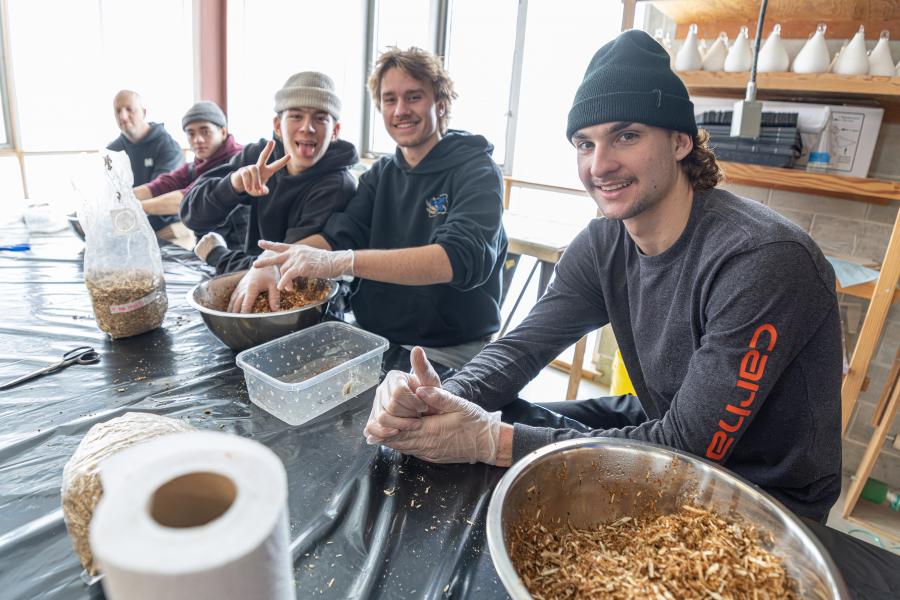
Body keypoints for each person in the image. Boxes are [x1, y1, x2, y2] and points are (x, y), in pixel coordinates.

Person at [364, 30, 843, 523]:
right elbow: (522, 348)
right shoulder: (604, 242)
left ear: (680, 141)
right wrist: (439, 397)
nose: (601, 165)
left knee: (504, 441)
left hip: (758, 494)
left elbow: (688, 451)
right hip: (665, 423)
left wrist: (492, 440)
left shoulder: (762, 261)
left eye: (626, 136)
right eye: (584, 144)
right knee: (502, 415)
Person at [253, 47, 507, 372]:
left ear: (440, 104)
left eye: (413, 97)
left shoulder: (476, 170)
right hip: (372, 335)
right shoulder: (381, 174)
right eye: (390, 100)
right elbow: (337, 237)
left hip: (445, 349)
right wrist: (269, 263)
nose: (400, 110)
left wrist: (343, 261)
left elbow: (457, 258)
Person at [180, 72, 358, 312]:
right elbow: (192, 214)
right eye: (296, 116)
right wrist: (233, 185)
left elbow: (284, 268)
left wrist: (217, 254)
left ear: (335, 130)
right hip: (253, 279)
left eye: (320, 118)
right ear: (277, 125)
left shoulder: (337, 185)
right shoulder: (257, 157)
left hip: (311, 305)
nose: (307, 128)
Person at [133, 101, 246, 249]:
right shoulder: (197, 165)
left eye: (205, 131)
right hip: (210, 246)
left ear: (223, 132)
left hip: (240, 250)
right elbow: (162, 184)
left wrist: (135, 208)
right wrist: (121, 197)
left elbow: (187, 198)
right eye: (191, 133)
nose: (197, 139)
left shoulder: (238, 161)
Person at [107, 90, 186, 239]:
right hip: (130, 226)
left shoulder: (167, 146)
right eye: (118, 111)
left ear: (143, 112)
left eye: (129, 109)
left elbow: (161, 190)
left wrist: (127, 202)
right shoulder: (112, 151)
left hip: (168, 227)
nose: (123, 116)